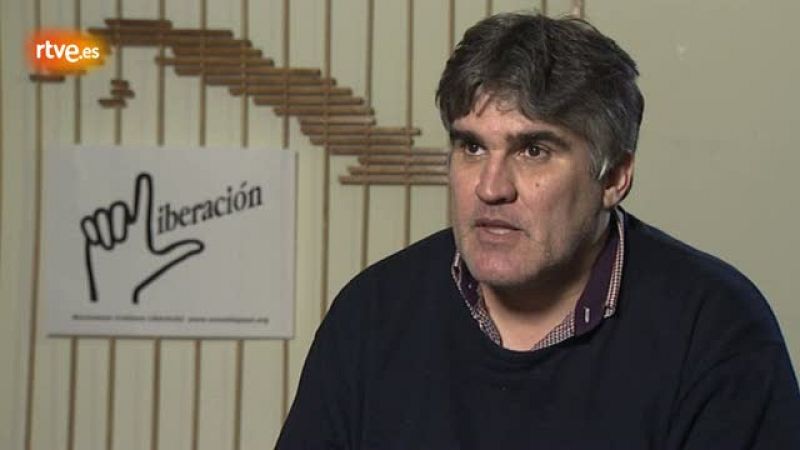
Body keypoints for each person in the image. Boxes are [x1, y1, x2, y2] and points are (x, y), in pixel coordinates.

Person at [276, 12, 800, 449]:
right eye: (472, 147)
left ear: (614, 177)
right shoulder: (373, 313)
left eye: (533, 150)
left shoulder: (717, 330)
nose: (491, 187)